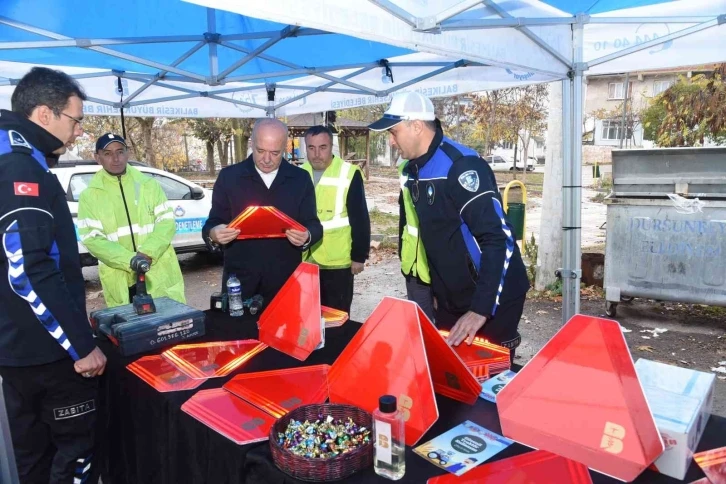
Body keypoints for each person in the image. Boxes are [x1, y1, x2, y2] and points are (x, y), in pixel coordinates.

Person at [0, 67, 106, 484]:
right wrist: (81, 346)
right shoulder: (20, 165)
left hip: (18, 346)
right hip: (44, 352)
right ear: (45, 114)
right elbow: (27, 268)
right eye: (75, 120)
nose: (78, 131)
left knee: (34, 460)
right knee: (73, 455)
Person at [369, 92, 530, 358]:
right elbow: (436, 238)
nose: (390, 140)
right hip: (452, 297)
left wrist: (481, 308)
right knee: (450, 373)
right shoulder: (414, 170)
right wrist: (438, 292)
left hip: (492, 296)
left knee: (488, 379)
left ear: (417, 126)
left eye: (394, 132)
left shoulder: (461, 167)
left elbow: (498, 238)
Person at [202, 118, 323, 303]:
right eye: (260, 151)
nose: (267, 159)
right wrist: (214, 233)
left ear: (285, 148)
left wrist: (307, 235)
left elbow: (314, 225)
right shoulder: (229, 177)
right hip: (240, 282)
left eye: (275, 153)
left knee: (286, 332)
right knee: (239, 332)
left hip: (285, 280)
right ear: (252, 143)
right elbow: (213, 222)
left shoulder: (300, 179)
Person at [77, 133, 185, 307]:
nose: (116, 158)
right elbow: (92, 238)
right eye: (107, 153)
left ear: (128, 153)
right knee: (132, 330)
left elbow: (166, 223)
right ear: (97, 158)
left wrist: (147, 254)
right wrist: (130, 260)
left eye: (120, 151)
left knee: (166, 327)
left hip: (157, 272)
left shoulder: (149, 185)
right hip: (120, 278)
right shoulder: (89, 196)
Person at [300, 125, 370, 313]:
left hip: (338, 261)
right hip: (306, 260)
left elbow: (361, 218)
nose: (317, 154)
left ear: (332, 147)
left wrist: (359, 256)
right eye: (311, 148)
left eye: (322, 147)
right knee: (308, 316)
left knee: (336, 317)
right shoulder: (299, 173)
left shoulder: (349, 173)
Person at [397, 155, 436, 323]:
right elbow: (404, 216)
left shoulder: (447, 166)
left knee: (445, 333)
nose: (392, 142)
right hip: (413, 265)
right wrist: (402, 251)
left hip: (440, 271)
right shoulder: (405, 168)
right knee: (419, 326)